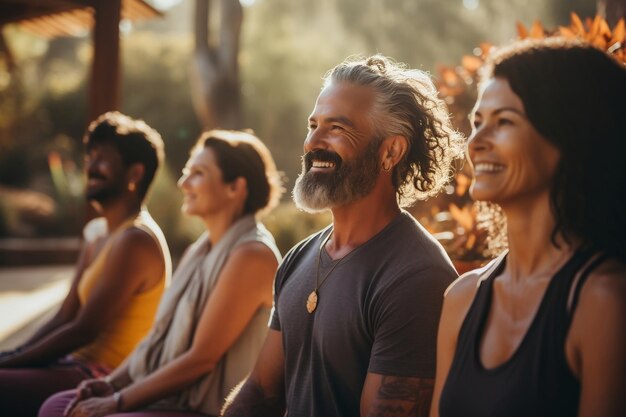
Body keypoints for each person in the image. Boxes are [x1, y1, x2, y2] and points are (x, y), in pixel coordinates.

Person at [222, 54, 463, 417]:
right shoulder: (299, 257)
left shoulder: (417, 277)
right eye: (313, 125)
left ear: (390, 151)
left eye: (337, 128)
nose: (313, 142)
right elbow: (261, 392)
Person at [430, 38, 626, 417]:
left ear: (569, 136)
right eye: (477, 122)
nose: (477, 143)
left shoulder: (604, 301)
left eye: (503, 122)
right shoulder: (462, 298)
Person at [40, 129, 284, 417]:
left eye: (198, 173)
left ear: (235, 188)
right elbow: (156, 335)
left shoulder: (251, 255)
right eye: (185, 172)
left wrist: (117, 401)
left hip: (209, 409)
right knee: (56, 406)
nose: (183, 183)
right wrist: (110, 384)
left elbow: (199, 360)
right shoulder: (200, 249)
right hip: (176, 397)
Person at [0, 112, 171, 417]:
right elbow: (65, 315)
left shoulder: (136, 240)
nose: (90, 166)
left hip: (101, 377)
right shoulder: (100, 234)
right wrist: (15, 353)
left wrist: (12, 362)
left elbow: (83, 330)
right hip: (71, 365)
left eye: (102, 159)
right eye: (90, 157)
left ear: (134, 174)